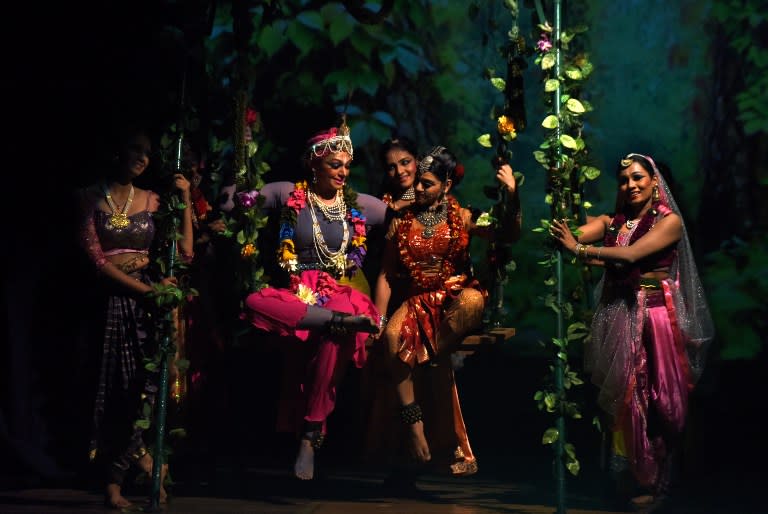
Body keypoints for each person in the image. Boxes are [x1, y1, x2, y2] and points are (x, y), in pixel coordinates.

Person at [549, 153, 713, 508]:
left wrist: (579, 249)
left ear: (655, 182)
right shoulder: (615, 222)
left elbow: (629, 256)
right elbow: (574, 231)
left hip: (654, 320)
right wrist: (566, 185)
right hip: (619, 315)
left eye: (638, 178)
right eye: (624, 180)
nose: (630, 185)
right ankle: (631, 478)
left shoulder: (669, 223)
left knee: (657, 400)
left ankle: (658, 480)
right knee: (624, 400)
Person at [243, 121, 388, 480]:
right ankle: (334, 322)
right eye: (334, 164)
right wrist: (241, 156)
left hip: (340, 292)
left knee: (336, 331)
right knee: (253, 302)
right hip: (299, 296)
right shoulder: (290, 194)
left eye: (346, 164)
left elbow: (402, 213)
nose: (343, 171)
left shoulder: (358, 205)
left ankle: (310, 434)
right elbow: (241, 198)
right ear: (314, 164)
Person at [371, 145, 521, 483]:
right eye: (418, 184)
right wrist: (378, 321)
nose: (418, 189)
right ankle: (414, 423)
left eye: (427, 183)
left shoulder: (464, 216)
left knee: (471, 302)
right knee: (393, 337)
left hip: (454, 300)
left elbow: (507, 233)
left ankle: (419, 362)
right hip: (417, 300)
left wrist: (512, 194)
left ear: (447, 186)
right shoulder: (401, 222)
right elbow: (385, 274)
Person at [77, 126, 194, 508]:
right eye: (135, 149)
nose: (143, 158)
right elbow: (96, 260)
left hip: (147, 308)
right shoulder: (89, 198)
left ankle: (138, 467)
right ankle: (125, 475)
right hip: (110, 304)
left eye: (148, 152)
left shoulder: (154, 200)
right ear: (117, 152)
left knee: (145, 391)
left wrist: (186, 200)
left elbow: (185, 252)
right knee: (113, 390)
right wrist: (145, 290)